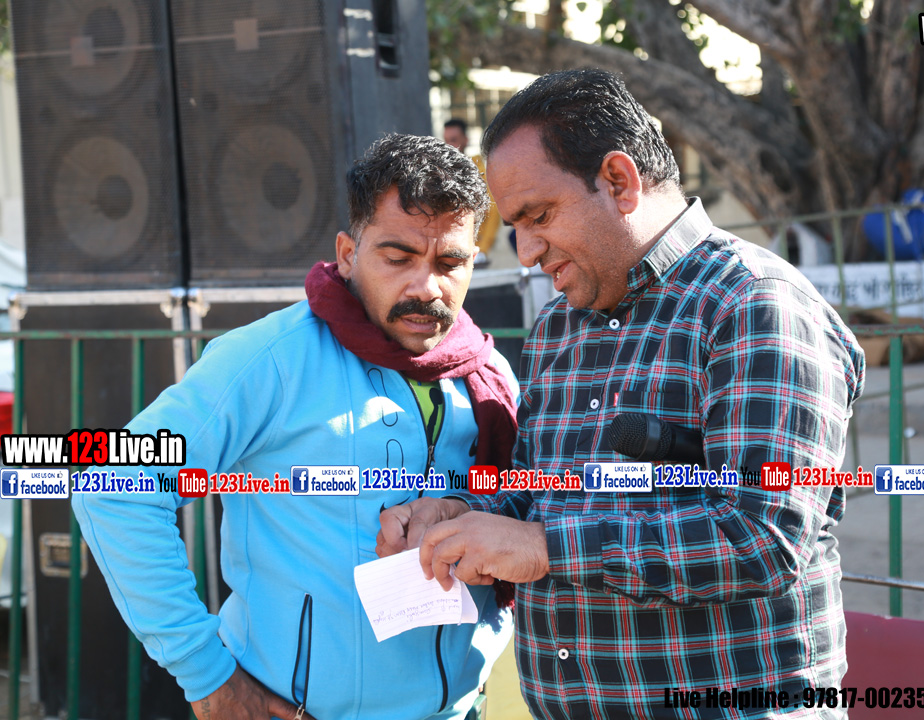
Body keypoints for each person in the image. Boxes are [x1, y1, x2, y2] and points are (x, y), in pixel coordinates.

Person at [380, 70, 866, 719]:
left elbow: (761, 538)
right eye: (515, 226)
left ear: (619, 180)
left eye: (539, 216)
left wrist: (545, 549)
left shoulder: (753, 306)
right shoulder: (560, 325)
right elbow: (540, 495)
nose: (525, 252)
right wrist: (460, 516)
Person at [72, 134, 518, 720]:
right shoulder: (270, 359)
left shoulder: (488, 373)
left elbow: (529, 511)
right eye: (398, 257)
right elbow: (111, 485)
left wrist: (464, 509)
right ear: (348, 253)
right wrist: (205, 672)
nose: (426, 287)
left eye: (449, 263)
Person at [443, 118, 501, 267]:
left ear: (466, 140)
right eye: (446, 140)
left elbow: (492, 210)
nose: (450, 145)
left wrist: (483, 249)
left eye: (454, 140)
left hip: (474, 251)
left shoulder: (478, 170)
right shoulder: (441, 172)